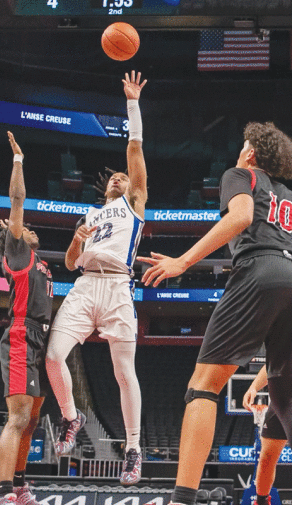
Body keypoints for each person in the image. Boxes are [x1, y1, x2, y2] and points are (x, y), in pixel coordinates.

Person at [138, 122, 292, 505]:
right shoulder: (289, 196)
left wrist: (183, 262)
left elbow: (240, 218)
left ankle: (182, 499)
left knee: (203, 386)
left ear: (252, 153)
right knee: (287, 403)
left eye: (243, 145)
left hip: (261, 270)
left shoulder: (241, 175)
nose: (239, 151)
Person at [46, 71, 148, 485]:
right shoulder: (89, 216)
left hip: (119, 285)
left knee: (125, 373)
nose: (119, 178)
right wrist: (75, 239)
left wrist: (131, 103)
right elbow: (70, 263)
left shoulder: (134, 202)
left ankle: (134, 449)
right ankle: (72, 417)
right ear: (104, 186)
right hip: (86, 284)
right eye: (114, 177)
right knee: (53, 356)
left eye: (122, 176)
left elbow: (135, 149)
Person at [0, 131, 53, 505]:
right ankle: (3, 493)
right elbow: (17, 198)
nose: (29, 229)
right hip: (20, 336)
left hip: (42, 340)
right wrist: (18, 160)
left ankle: (19, 484)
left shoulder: (42, 264)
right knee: (17, 419)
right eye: (22, 228)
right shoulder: (18, 253)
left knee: (31, 421)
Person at [243, 366, 287, 505]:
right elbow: (272, 363)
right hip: (280, 399)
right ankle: (261, 501)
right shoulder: (283, 345)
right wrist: (254, 387)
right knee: (267, 456)